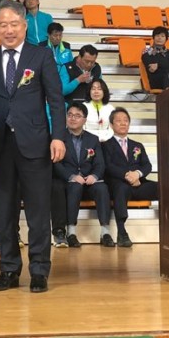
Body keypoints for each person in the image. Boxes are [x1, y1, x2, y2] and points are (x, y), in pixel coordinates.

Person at [0, 0, 66, 294]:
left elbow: (56, 99)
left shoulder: (40, 55)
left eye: (14, 24)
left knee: (38, 212)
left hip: (36, 144)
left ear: (24, 25)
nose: (9, 30)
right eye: (2, 25)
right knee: (4, 212)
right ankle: (8, 269)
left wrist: (58, 137)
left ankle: (39, 270)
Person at [51, 103, 112, 248]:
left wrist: (94, 176)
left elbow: (100, 163)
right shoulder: (58, 138)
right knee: (75, 187)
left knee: (102, 188)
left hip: (88, 180)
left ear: (84, 120)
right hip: (67, 181)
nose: (72, 118)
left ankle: (105, 232)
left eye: (77, 116)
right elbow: (55, 163)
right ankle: (71, 232)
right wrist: (71, 176)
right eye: (70, 115)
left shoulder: (93, 139)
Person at [101, 107, 158, 248]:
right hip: (118, 184)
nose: (123, 123)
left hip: (138, 184)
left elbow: (147, 165)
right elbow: (108, 166)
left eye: (126, 120)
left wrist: (137, 174)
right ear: (111, 125)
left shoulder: (137, 145)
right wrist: (127, 175)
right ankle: (122, 233)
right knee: (121, 189)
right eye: (118, 121)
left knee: (162, 188)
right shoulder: (105, 145)